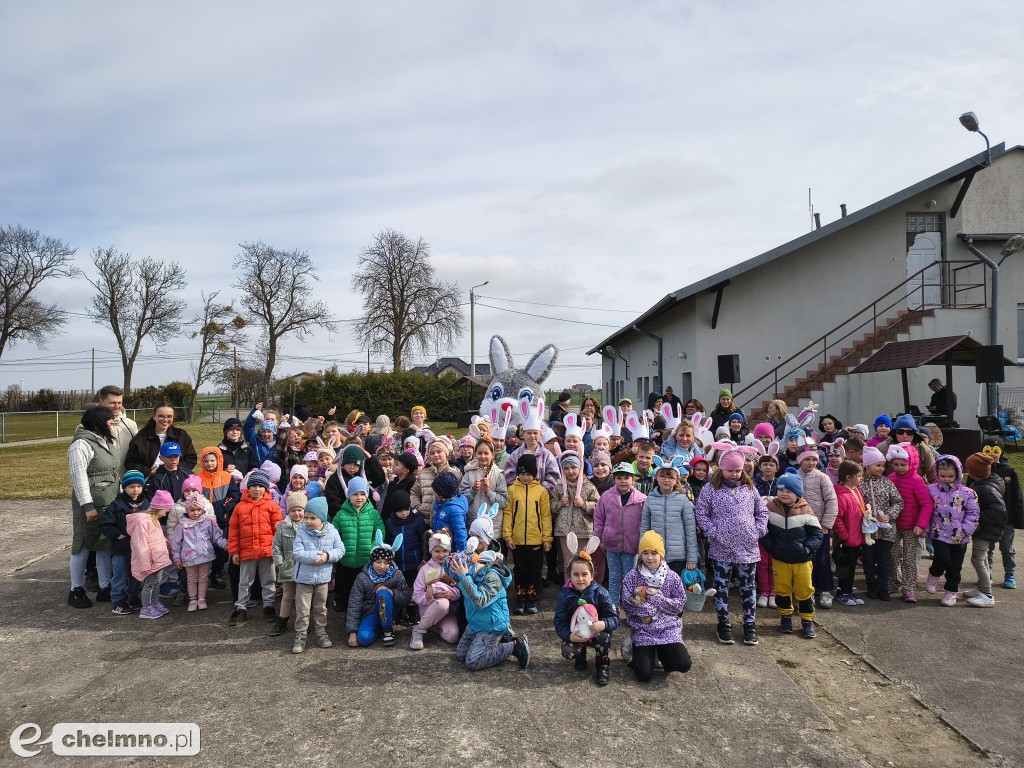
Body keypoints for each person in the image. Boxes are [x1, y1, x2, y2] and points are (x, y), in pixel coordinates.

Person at [694, 449, 769, 646]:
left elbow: (761, 511)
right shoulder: (711, 489)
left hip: (748, 547)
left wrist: (758, 530)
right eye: (730, 470)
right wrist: (713, 532)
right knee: (721, 586)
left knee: (748, 587)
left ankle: (750, 624)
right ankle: (723, 623)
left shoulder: (750, 488)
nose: (734, 474)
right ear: (721, 469)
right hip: (722, 547)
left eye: (738, 470)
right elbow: (701, 513)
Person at [448, 541, 531, 671]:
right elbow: (455, 576)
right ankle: (504, 638)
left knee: (473, 661)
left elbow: (480, 601)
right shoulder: (472, 573)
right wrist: (450, 561)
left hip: (490, 626)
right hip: (476, 623)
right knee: (461, 655)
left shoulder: (492, 577)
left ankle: (515, 645)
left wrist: (464, 577)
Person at [67, 405, 120, 609]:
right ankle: (76, 589)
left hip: (108, 501)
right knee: (82, 544)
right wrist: (87, 505)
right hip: (90, 504)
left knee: (104, 542)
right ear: (97, 422)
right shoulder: (80, 445)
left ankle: (106, 587)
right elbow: (78, 477)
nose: (112, 423)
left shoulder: (105, 441)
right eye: (108, 420)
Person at [620, 531, 692, 681]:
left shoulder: (672, 577)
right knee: (644, 675)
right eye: (645, 553)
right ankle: (637, 649)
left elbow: (680, 604)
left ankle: (660, 652)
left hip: (667, 628)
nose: (650, 557)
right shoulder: (632, 576)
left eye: (654, 553)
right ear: (640, 554)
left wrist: (657, 599)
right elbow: (626, 603)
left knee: (683, 664)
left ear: (661, 554)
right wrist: (649, 609)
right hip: (643, 628)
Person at [553, 535, 619, 686]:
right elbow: (559, 621)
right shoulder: (565, 595)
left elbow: (614, 618)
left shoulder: (600, 592)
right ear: (569, 575)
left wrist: (603, 624)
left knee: (604, 638)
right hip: (578, 632)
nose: (580, 579)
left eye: (584, 574)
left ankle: (602, 665)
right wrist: (569, 635)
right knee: (568, 650)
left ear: (592, 575)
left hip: (597, 631)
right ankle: (580, 656)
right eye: (576, 574)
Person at [227, 469, 282, 626]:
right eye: (254, 486)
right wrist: (234, 551)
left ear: (266, 488)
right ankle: (241, 607)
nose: (257, 489)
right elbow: (233, 530)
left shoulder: (272, 506)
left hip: (267, 551)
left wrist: (278, 549)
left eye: (260, 486)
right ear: (248, 488)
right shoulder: (239, 507)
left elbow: (278, 529)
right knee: (244, 581)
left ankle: (268, 606)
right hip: (247, 551)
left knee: (269, 580)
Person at [290, 497, 344, 653]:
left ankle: (321, 632)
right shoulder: (302, 531)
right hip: (304, 579)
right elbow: (297, 553)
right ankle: (301, 635)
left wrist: (327, 556)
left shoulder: (332, 531)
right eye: (306, 517)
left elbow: (340, 550)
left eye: (312, 518)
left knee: (321, 608)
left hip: (323, 579)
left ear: (322, 518)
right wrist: (316, 556)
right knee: (303, 609)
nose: (308, 521)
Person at [925, 455, 980, 607]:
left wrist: (966, 530)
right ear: (937, 473)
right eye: (942, 476)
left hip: (960, 536)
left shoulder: (968, 493)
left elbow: (973, 513)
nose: (946, 479)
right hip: (938, 533)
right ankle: (934, 574)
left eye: (950, 476)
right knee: (942, 558)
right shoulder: (930, 490)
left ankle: (951, 591)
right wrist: (925, 527)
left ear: (958, 474)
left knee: (955, 566)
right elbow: (925, 509)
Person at [504, 453, 553, 615]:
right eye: (522, 474)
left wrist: (547, 539)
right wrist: (507, 536)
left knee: (534, 570)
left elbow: (546, 516)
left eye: (529, 474)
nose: (525, 477)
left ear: (535, 474)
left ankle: (532, 598)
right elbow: (508, 514)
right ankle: (520, 598)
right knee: (520, 570)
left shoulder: (541, 492)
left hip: (535, 540)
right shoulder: (511, 490)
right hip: (517, 540)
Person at [345, 532, 411, 647]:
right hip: (371, 612)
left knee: (383, 593)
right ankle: (379, 628)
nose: (382, 566)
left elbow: (406, 597)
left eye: (386, 563)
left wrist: (392, 592)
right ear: (372, 561)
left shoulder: (397, 574)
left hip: (389, 610)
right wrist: (352, 632)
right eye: (378, 562)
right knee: (363, 639)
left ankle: (387, 630)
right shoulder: (362, 577)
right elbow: (354, 604)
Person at [330, 476, 385, 612]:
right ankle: (344, 603)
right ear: (349, 495)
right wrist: (340, 548)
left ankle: (365, 606)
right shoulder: (341, 514)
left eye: (362, 494)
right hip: (346, 560)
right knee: (346, 585)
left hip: (366, 559)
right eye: (355, 494)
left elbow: (380, 532)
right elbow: (333, 534)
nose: (359, 498)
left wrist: (373, 546)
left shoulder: (373, 514)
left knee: (365, 586)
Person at [887, 445, 933, 603]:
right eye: (896, 464)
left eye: (903, 464)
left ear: (911, 463)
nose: (899, 468)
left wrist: (921, 525)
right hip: (893, 525)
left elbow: (927, 504)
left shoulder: (917, 480)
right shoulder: (891, 478)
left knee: (909, 559)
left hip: (912, 527)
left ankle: (909, 587)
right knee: (892, 556)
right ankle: (895, 582)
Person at [99, 470, 147, 615]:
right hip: (121, 548)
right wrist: (118, 535)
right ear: (124, 487)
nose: (135, 490)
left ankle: (133, 596)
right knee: (120, 574)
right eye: (131, 486)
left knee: (136, 575)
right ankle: (118, 601)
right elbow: (105, 525)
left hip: (139, 549)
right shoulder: (116, 505)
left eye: (139, 486)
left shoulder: (146, 504)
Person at [795, 445, 838, 608]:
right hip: (798, 526)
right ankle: (808, 590)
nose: (811, 462)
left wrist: (826, 524)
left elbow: (832, 501)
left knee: (822, 559)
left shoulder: (822, 477)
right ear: (800, 460)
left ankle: (825, 589)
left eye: (814, 459)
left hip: (819, 526)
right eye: (807, 459)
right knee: (804, 560)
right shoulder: (793, 476)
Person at [552, 452, 603, 586]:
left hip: (583, 530)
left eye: (573, 467)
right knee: (568, 562)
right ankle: (569, 588)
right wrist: (559, 504)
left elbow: (599, 507)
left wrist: (584, 504)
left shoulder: (589, 486)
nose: (570, 471)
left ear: (580, 468)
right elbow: (551, 506)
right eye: (566, 468)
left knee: (583, 560)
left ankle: (584, 588)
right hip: (564, 530)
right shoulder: (559, 487)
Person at [641, 459, 698, 577]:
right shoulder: (650, 500)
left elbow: (690, 531)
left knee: (675, 586)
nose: (666, 480)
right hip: (655, 555)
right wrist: (643, 553)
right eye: (662, 476)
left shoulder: (683, 500)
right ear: (656, 477)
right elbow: (644, 529)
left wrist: (691, 558)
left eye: (670, 477)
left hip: (678, 557)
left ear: (677, 479)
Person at [860, 446, 903, 600]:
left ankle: (883, 587)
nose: (881, 468)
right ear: (867, 465)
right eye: (878, 465)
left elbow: (898, 502)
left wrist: (889, 515)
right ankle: (871, 586)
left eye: (883, 465)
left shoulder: (887, 482)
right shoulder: (860, 483)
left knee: (884, 561)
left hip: (886, 530)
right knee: (868, 560)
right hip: (867, 531)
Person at [964, 452, 1007, 608]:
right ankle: (983, 587)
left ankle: (987, 595)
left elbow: (999, 510)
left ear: (973, 472)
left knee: (977, 560)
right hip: (985, 528)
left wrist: (977, 517)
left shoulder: (985, 488)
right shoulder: (991, 481)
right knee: (983, 559)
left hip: (986, 530)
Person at [171, 495, 228, 612]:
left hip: (205, 556)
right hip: (189, 558)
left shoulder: (208, 522)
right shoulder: (182, 525)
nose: (195, 513)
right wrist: (176, 558)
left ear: (203, 510)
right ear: (187, 510)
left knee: (203, 578)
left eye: (198, 510)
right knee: (191, 579)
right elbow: (176, 543)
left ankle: (202, 599)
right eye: (192, 510)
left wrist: (225, 545)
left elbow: (216, 537)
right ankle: (192, 599)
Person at [981, 437, 1023, 589]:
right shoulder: (979, 469)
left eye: (996, 450)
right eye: (987, 450)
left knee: (1007, 548)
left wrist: (1019, 519)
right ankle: (987, 574)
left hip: (1007, 519)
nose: (992, 454)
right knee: (988, 549)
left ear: (1002, 452)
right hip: (987, 518)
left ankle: (1010, 574)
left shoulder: (1009, 470)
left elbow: (1017, 496)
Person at [126, 490, 174, 619]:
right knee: (150, 583)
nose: (165, 514)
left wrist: (164, 541)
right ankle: (146, 607)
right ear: (159, 508)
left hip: (157, 558)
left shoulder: (153, 520)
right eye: (165, 511)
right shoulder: (142, 522)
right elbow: (140, 545)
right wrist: (145, 564)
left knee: (157, 582)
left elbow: (154, 536)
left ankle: (154, 603)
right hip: (150, 560)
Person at [410, 533, 461, 650]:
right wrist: (435, 595)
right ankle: (418, 630)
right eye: (437, 551)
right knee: (442, 603)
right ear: (431, 551)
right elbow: (416, 596)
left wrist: (448, 593)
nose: (441, 555)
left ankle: (432, 626)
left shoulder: (454, 567)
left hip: (448, 613)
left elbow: (458, 593)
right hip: (429, 609)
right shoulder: (425, 569)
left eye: (445, 551)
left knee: (453, 636)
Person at [124, 402, 197, 476]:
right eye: (161, 416)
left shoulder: (182, 436)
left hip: (176, 476)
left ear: (173, 417)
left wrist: (173, 469)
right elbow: (131, 463)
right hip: (149, 478)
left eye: (169, 416)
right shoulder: (141, 438)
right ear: (154, 417)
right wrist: (150, 472)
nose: (165, 419)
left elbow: (191, 459)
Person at [270, 492, 306, 636]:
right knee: (287, 595)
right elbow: (276, 547)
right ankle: (282, 620)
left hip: (304, 568)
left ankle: (302, 622)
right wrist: (280, 564)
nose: (297, 513)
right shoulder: (282, 526)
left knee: (303, 597)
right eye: (293, 510)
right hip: (288, 567)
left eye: (300, 510)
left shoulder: (308, 526)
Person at [832, 460, 867, 607]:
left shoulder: (855, 490)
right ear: (848, 477)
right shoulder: (841, 495)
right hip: (847, 539)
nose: (861, 478)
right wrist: (844, 535)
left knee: (852, 567)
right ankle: (842, 593)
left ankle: (848, 591)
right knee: (844, 567)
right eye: (859, 476)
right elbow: (837, 518)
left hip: (856, 536)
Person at [459, 436, 509, 531]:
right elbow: (461, 500)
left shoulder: (498, 474)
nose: (482, 456)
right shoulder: (469, 474)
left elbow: (503, 502)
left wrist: (489, 492)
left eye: (486, 453)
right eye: (479, 453)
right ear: (475, 454)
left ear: (493, 455)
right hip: (473, 524)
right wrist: (472, 490)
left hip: (493, 527)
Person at [412, 435, 462, 524]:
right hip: (424, 520)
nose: (435, 455)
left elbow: (460, 496)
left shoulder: (455, 474)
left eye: (439, 451)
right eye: (432, 453)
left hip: (445, 522)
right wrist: (417, 506)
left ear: (446, 453)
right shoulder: (424, 473)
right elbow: (414, 493)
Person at [97, 385, 138, 475]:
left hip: (125, 480)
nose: (117, 406)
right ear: (101, 402)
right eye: (113, 403)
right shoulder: (90, 425)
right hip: (101, 482)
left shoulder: (131, 425)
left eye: (119, 403)